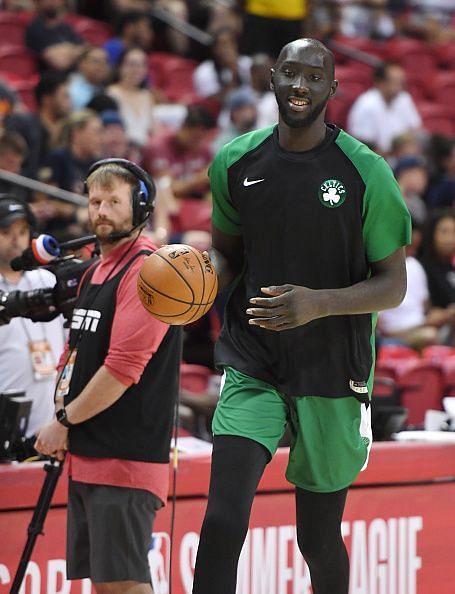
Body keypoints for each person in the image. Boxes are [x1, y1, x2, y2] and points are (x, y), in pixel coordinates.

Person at [192, 38, 411, 594]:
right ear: (271, 78)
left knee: (316, 538)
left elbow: (393, 286)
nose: (300, 86)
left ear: (332, 89)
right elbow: (228, 254)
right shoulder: (236, 161)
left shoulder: (367, 172)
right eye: (290, 73)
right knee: (221, 523)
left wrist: (318, 303)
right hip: (254, 358)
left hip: (333, 369)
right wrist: (195, 282)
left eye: (314, 78)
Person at [34, 158, 182, 594]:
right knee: (107, 586)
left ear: (140, 207)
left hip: (125, 457)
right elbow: (76, 355)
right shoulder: (95, 271)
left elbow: (122, 368)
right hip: (90, 453)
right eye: (95, 201)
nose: (100, 211)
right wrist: (62, 414)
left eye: (114, 201)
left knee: (124, 585)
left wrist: (63, 422)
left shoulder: (149, 271)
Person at [0, 194, 66, 458]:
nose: (16, 239)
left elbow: (69, 342)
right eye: (6, 231)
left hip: (48, 425)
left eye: (23, 231)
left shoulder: (47, 281)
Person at [346, 61, 422, 155]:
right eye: (396, 81)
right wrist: (394, 153)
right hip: (379, 159)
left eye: (402, 81)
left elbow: (416, 129)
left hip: (404, 155)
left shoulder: (404, 98)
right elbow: (363, 147)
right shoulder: (366, 105)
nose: (400, 85)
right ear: (380, 82)